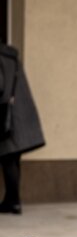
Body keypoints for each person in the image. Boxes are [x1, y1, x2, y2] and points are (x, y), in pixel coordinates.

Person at [0, 42, 45, 214]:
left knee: (8, 158)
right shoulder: (11, 55)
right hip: (19, 115)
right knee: (13, 159)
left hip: (6, 116)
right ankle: (12, 200)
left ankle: (13, 201)